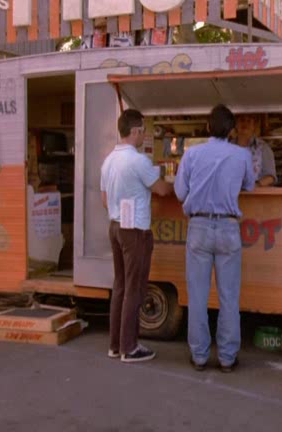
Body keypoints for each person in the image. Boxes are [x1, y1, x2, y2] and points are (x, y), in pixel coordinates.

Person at [174, 105, 255, 373]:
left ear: (208, 127)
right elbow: (250, 185)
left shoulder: (192, 154)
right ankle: (227, 358)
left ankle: (199, 356)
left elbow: (179, 192)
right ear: (232, 131)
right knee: (229, 296)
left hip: (198, 226)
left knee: (197, 296)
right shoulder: (242, 155)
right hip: (229, 228)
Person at [100, 109, 173, 363]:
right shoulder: (139, 161)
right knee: (135, 288)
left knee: (120, 287)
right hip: (135, 231)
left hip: (115, 227)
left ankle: (115, 344)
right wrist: (175, 182)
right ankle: (129, 348)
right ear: (134, 131)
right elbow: (162, 190)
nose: (144, 135)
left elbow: (104, 200)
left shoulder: (108, 160)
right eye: (143, 131)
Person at [235, 114, 276, 186]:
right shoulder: (227, 146)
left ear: (254, 126)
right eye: (242, 120)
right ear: (236, 124)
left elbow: (270, 177)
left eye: (249, 121)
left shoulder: (263, 148)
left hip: (256, 192)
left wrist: (256, 185)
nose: (245, 123)